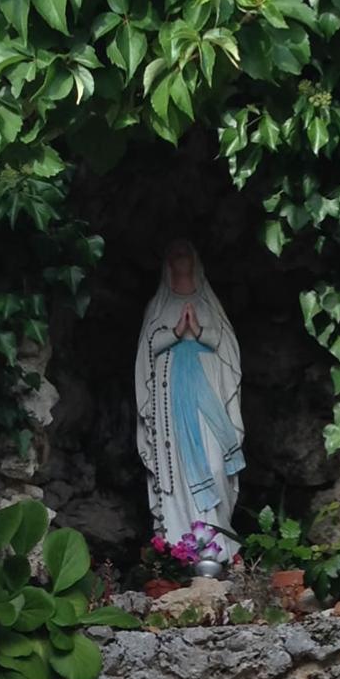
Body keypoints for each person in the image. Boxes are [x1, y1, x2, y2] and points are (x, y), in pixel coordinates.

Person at [135, 240, 245, 562]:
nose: (180, 259)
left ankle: (218, 544)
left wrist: (197, 331)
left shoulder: (209, 304)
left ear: (195, 261)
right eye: (175, 254)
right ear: (167, 263)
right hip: (172, 407)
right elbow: (146, 349)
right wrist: (175, 332)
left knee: (215, 466)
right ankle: (184, 549)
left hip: (207, 403)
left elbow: (227, 348)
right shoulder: (158, 307)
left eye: (185, 254)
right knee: (179, 473)